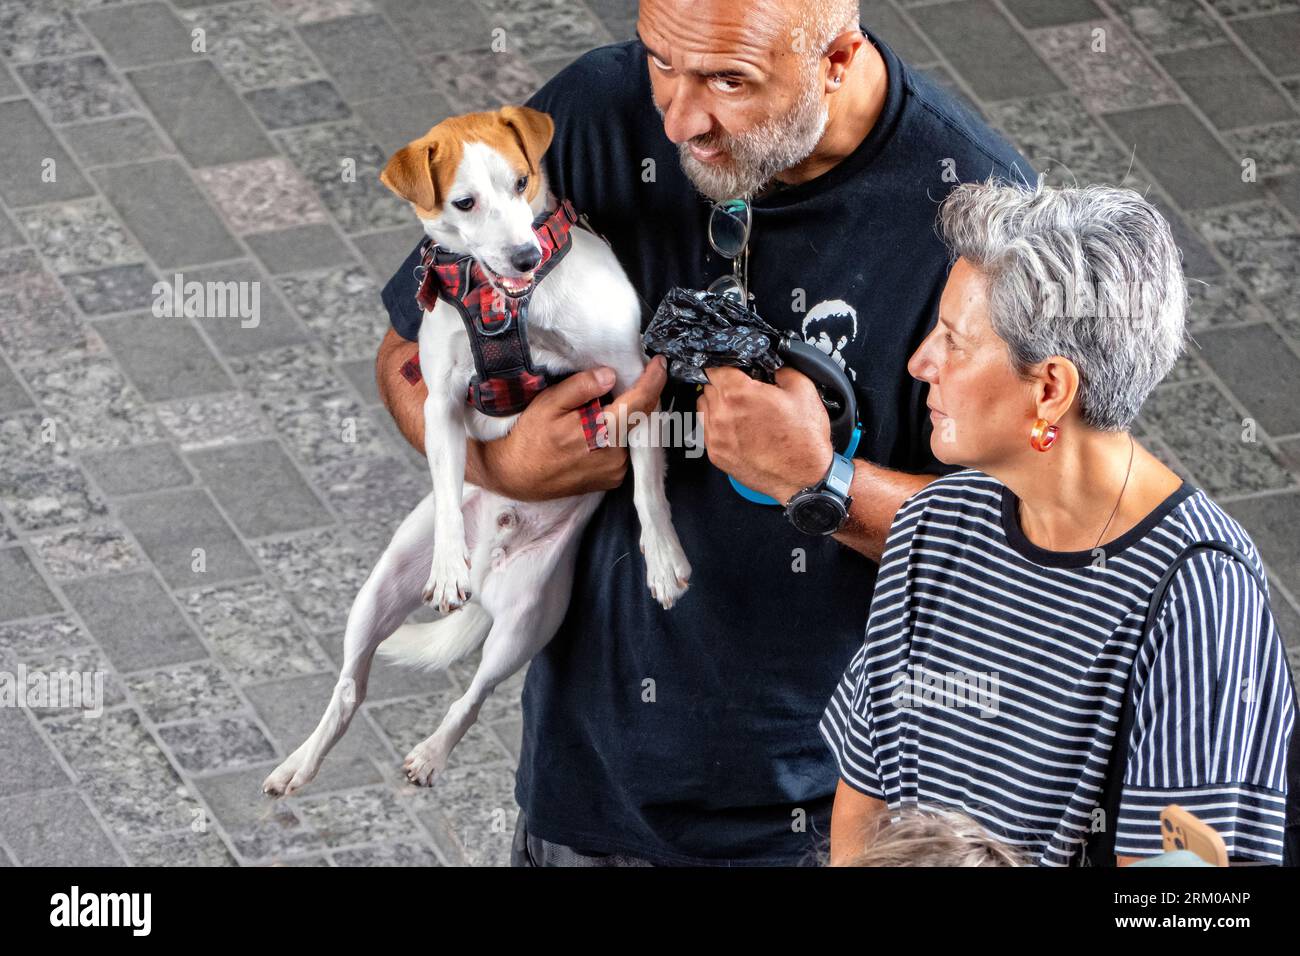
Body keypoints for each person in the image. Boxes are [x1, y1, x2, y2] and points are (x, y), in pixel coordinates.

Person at [378, 0, 1027, 865]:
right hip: (583, 796)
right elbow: (406, 356)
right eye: (660, 61)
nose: (679, 119)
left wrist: (823, 483)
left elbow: (1040, 555)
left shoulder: (983, 220)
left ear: (837, 59)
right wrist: (509, 464)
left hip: (823, 821)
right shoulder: (594, 113)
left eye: (729, 81)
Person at [821, 179, 1296, 866]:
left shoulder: (1196, 596)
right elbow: (864, 805)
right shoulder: (938, 526)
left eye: (954, 342)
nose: (920, 362)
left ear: (1049, 390)